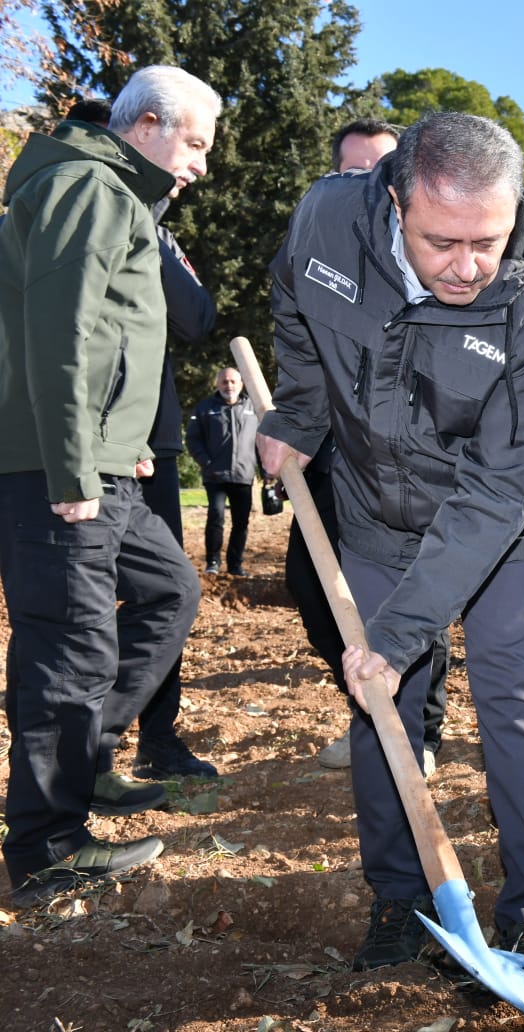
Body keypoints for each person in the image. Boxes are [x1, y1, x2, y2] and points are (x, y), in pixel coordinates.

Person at [259, 111, 524, 977]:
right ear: (395, 198)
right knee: (381, 704)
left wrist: (403, 636)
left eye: (490, 239)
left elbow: (497, 489)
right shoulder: (326, 221)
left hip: (510, 520)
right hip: (372, 504)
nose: (469, 267)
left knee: (512, 695)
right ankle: (400, 902)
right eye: (444, 242)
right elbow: (293, 302)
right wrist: (298, 411)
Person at [0, 65, 218, 904]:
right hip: (62, 471)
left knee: (170, 591)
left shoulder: (119, 195)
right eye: (194, 143)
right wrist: (72, 465)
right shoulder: (89, 188)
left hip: (106, 462)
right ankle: (47, 843)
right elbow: (61, 336)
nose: (198, 163)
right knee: (69, 645)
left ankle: (86, 763)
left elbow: (110, 346)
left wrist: (119, 444)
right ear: (150, 124)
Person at [283, 117, 449, 776]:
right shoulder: (317, 250)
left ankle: (420, 732)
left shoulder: (428, 264)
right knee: (313, 585)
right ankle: (373, 714)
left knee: (406, 595)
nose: (368, 187)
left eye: (381, 173)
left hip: (401, 460)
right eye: (353, 173)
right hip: (327, 450)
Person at [61, 97, 219, 782]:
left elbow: (197, 318)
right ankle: (73, 751)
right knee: (85, 609)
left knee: (165, 596)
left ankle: (156, 737)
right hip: (87, 445)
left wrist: (148, 232)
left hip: (153, 441)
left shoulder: (152, 229)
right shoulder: (70, 212)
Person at [187, 367, 259, 576]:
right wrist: (206, 462)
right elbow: (193, 439)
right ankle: (213, 562)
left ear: (241, 384)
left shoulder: (253, 408)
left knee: (241, 522)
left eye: (233, 381)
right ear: (218, 384)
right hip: (215, 476)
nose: (229, 386)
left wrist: (267, 471)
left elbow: (261, 442)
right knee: (216, 516)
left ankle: (235, 565)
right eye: (225, 382)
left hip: (243, 476)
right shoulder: (205, 408)